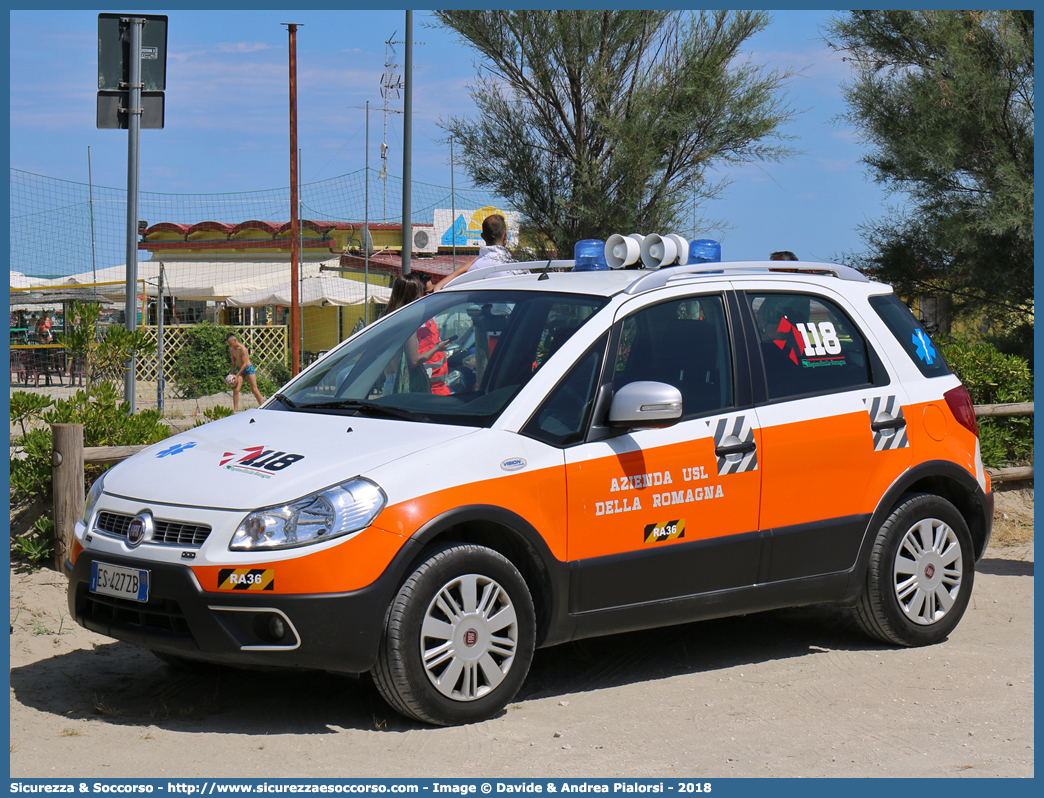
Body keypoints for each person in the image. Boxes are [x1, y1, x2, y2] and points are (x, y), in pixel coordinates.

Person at [380, 274, 451, 394]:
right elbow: (413, 361)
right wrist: (438, 348)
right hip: (404, 385)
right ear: (413, 295)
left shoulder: (386, 317)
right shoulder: (408, 321)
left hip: (389, 380)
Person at [435, 213, 524, 289]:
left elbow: (438, 289)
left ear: (482, 237)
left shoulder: (472, 269)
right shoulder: (518, 269)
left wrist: (462, 269)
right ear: (505, 236)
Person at [226, 333, 265, 412]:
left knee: (254, 389)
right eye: (228, 344)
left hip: (248, 369)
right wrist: (231, 373)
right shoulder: (232, 350)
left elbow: (246, 363)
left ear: (235, 340)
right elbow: (233, 363)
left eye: (230, 343)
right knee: (236, 390)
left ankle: (263, 407)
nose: (229, 345)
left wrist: (237, 375)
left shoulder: (243, 349)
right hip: (241, 370)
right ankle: (235, 410)